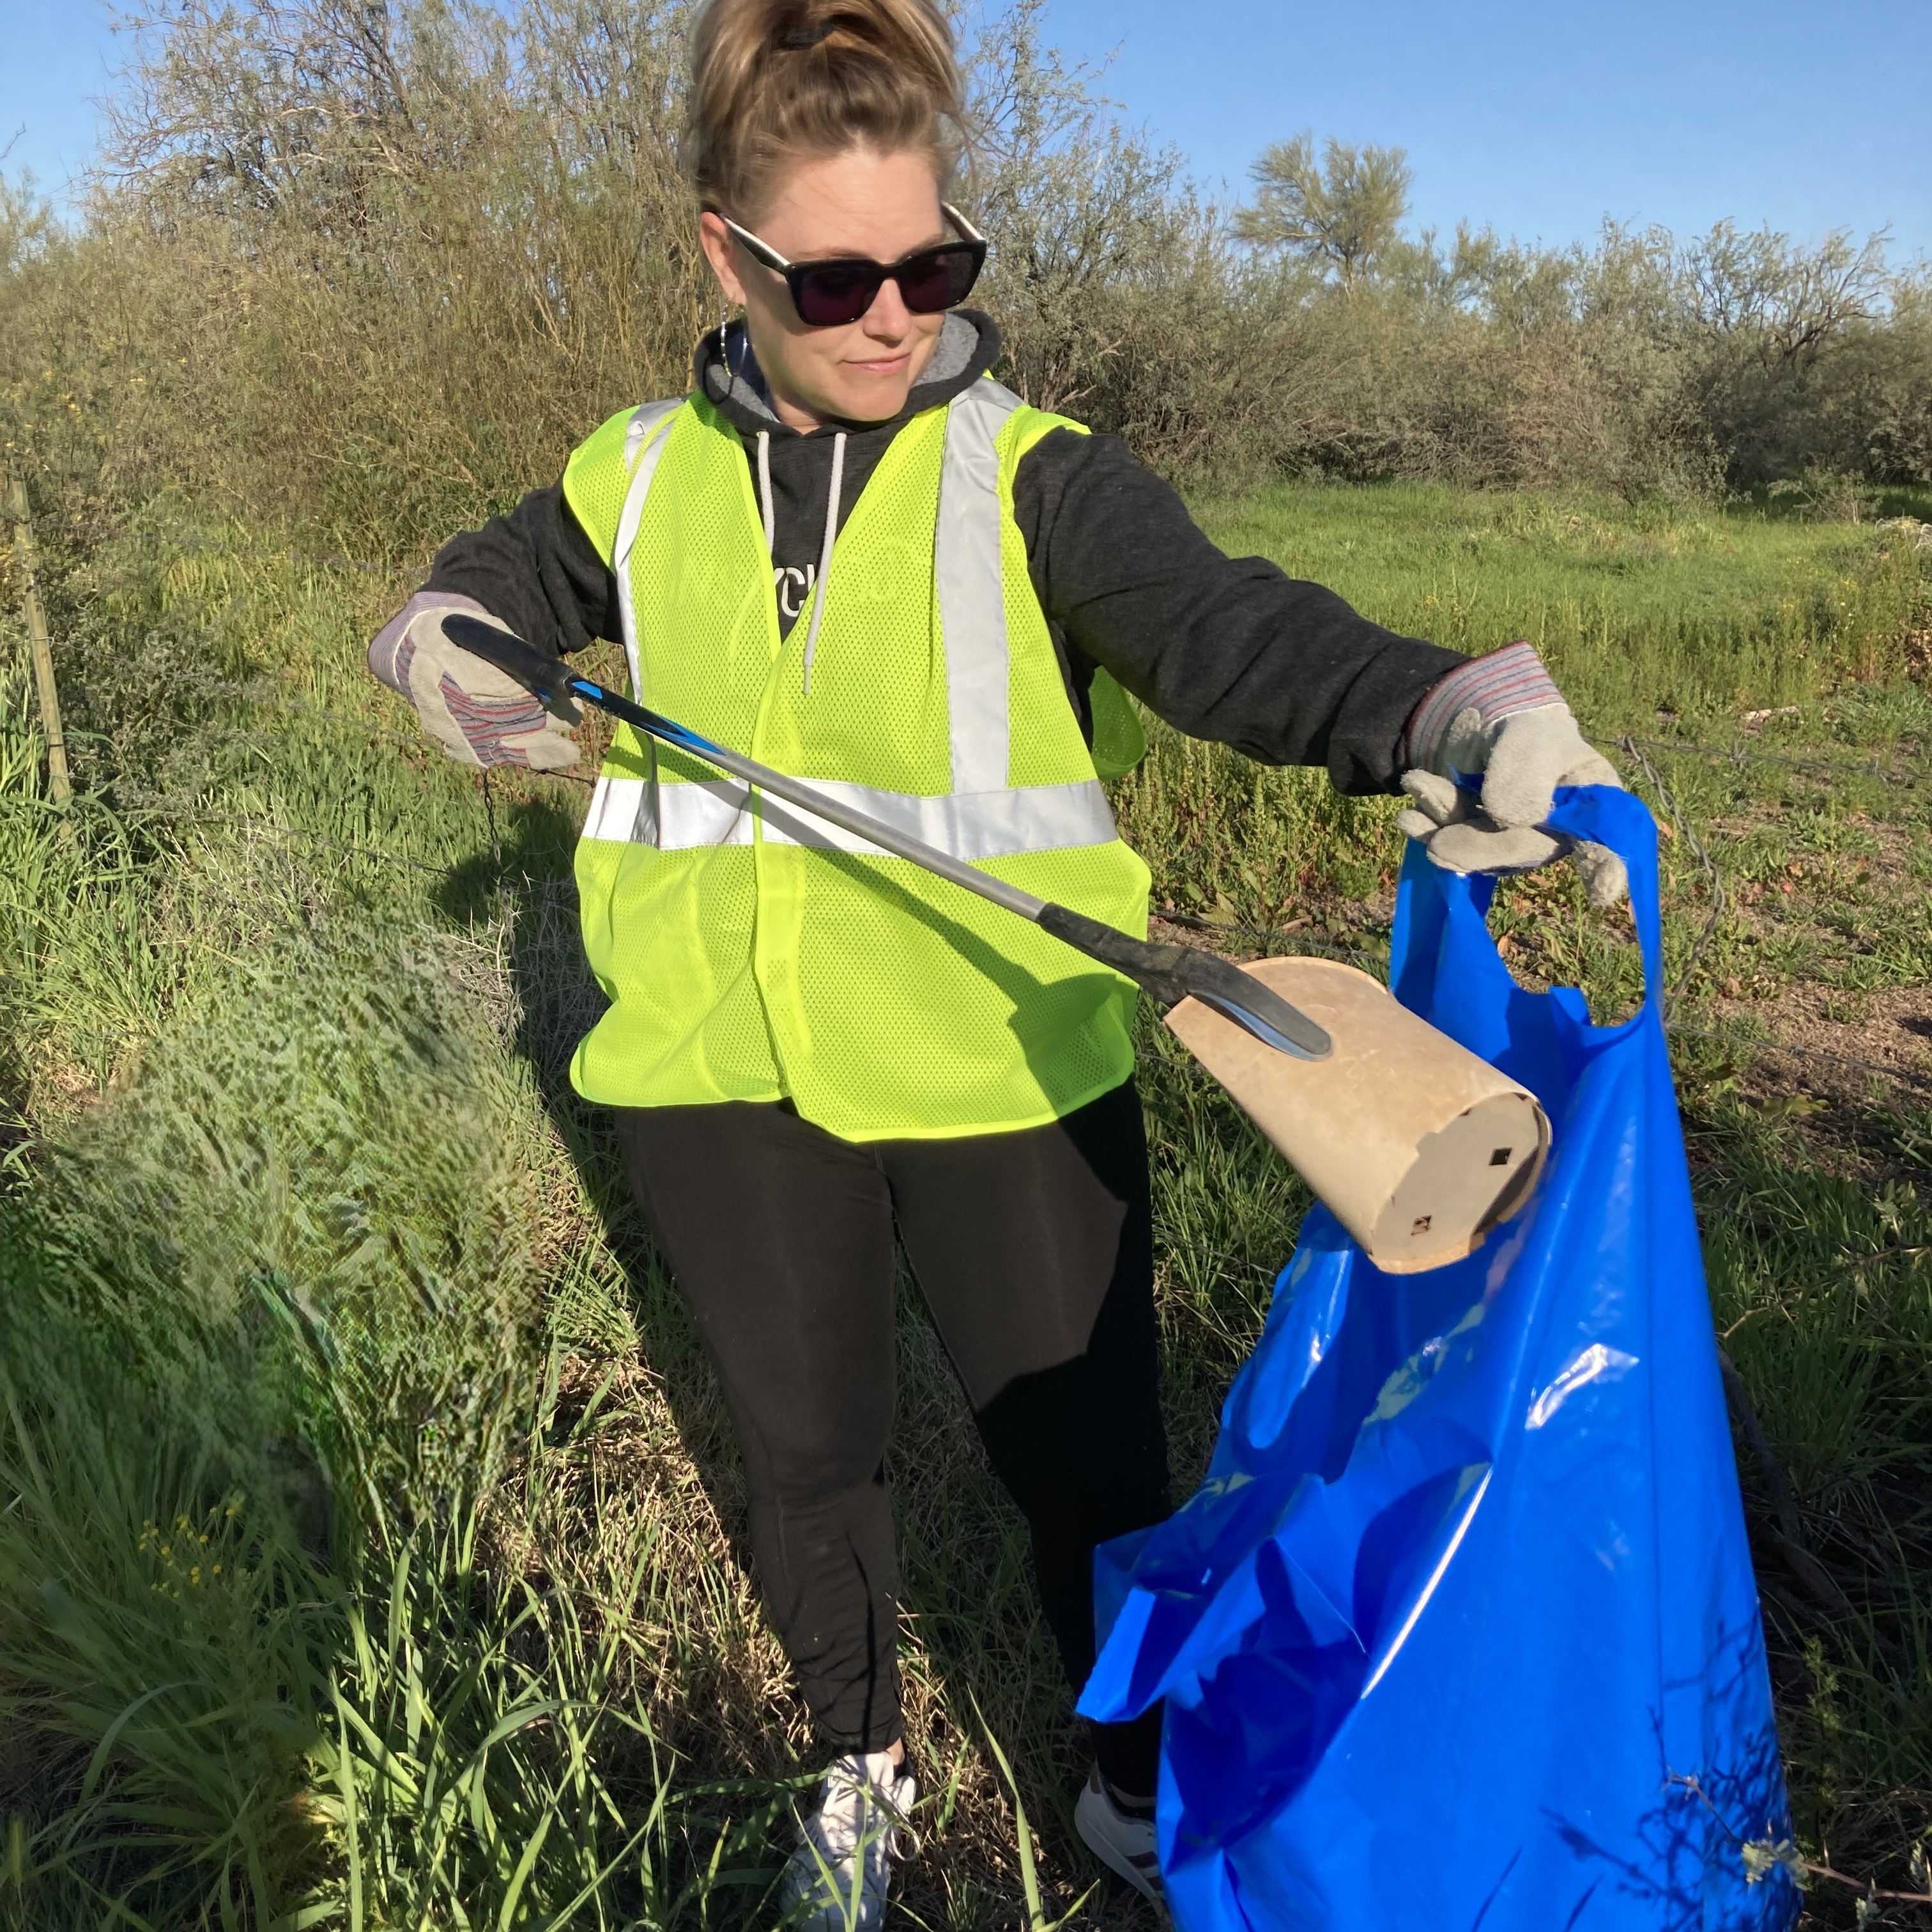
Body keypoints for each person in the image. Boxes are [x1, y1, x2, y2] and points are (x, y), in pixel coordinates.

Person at [367, 0, 1625, 1920]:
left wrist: (1464, 712)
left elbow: (1235, 636)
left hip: (1004, 1065)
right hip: (715, 1066)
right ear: (727, 257)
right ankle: (855, 1758)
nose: (894, 313)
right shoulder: (625, 474)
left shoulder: (1037, 477)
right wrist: (439, 643)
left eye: (936, 264)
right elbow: (485, 588)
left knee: (1087, 1473)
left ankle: (1123, 1783)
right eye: (842, 277)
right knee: (808, 1458)